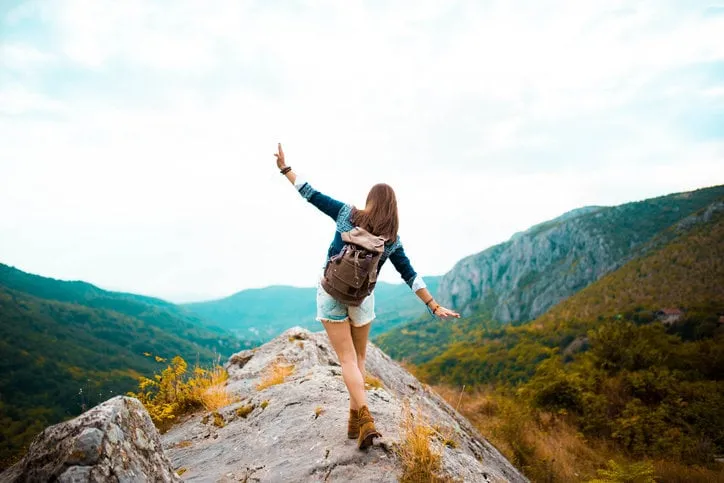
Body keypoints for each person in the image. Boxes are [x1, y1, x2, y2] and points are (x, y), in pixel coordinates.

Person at [274, 143, 460, 449]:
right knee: (358, 359)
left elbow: (310, 193)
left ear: (370, 201)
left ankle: (365, 420)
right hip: (362, 300)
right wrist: (433, 304)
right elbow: (410, 276)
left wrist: (285, 169)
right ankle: (355, 422)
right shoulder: (391, 241)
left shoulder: (347, 214)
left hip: (331, 293)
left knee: (346, 360)